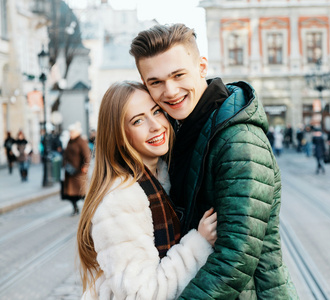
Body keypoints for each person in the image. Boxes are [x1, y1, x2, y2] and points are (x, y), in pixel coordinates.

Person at [130, 23, 298, 299]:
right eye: (156, 82)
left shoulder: (238, 141)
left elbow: (236, 258)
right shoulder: (178, 128)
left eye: (178, 75)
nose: (170, 91)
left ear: (202, 67)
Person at [77, 81, 217, 299]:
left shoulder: (161, 177)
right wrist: (198, 244)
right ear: (120, 137)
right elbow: (142, 293)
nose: (156, 125)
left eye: (157, 111)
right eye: (138, 120)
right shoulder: (121, 197)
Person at [62, 122, 91, 215]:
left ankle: (89, 209)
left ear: (77, 132)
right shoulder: (69, 142)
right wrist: (64, 163)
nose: (70, 133)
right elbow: (65, 154)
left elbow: (87, 155)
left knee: (82, 193)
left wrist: (85, 166)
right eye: (70, 132)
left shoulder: (81, 142)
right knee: (70, 194)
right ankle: (75, 208)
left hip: (79, 172)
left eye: (72, 132)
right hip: (70, 171)